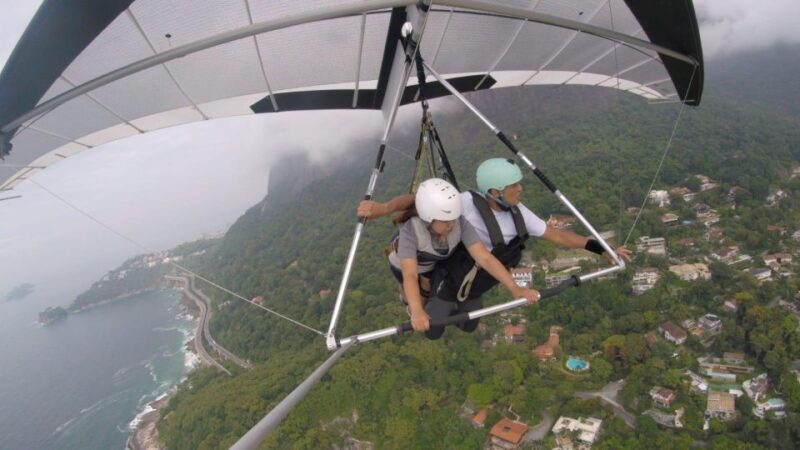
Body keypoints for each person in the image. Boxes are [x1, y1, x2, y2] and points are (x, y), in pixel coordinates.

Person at [359, 158, 632, 337]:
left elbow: (559, 237)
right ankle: (417, 299)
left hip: (479, 276)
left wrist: (601, 248)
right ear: (494, 192)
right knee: (432, 328)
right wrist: (383, 209)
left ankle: (438, 301)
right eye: (514, 186)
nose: (521, 189)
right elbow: (418, 200)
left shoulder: (517, 214)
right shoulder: (462, 204)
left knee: (469, 325)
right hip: (446, 268)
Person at [358, 177, 540, 338]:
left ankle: (435, 298)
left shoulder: (459, 222)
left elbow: (485, 258)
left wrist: (515, 289)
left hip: (437, 261)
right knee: (424, 307)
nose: (451, 225)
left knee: (452, 309)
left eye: (453, 218)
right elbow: (410, 275)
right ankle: (407, 298)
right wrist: (417, 312)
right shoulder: (411, 232)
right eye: (446, 221)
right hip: (407, 266)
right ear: (429, 218)